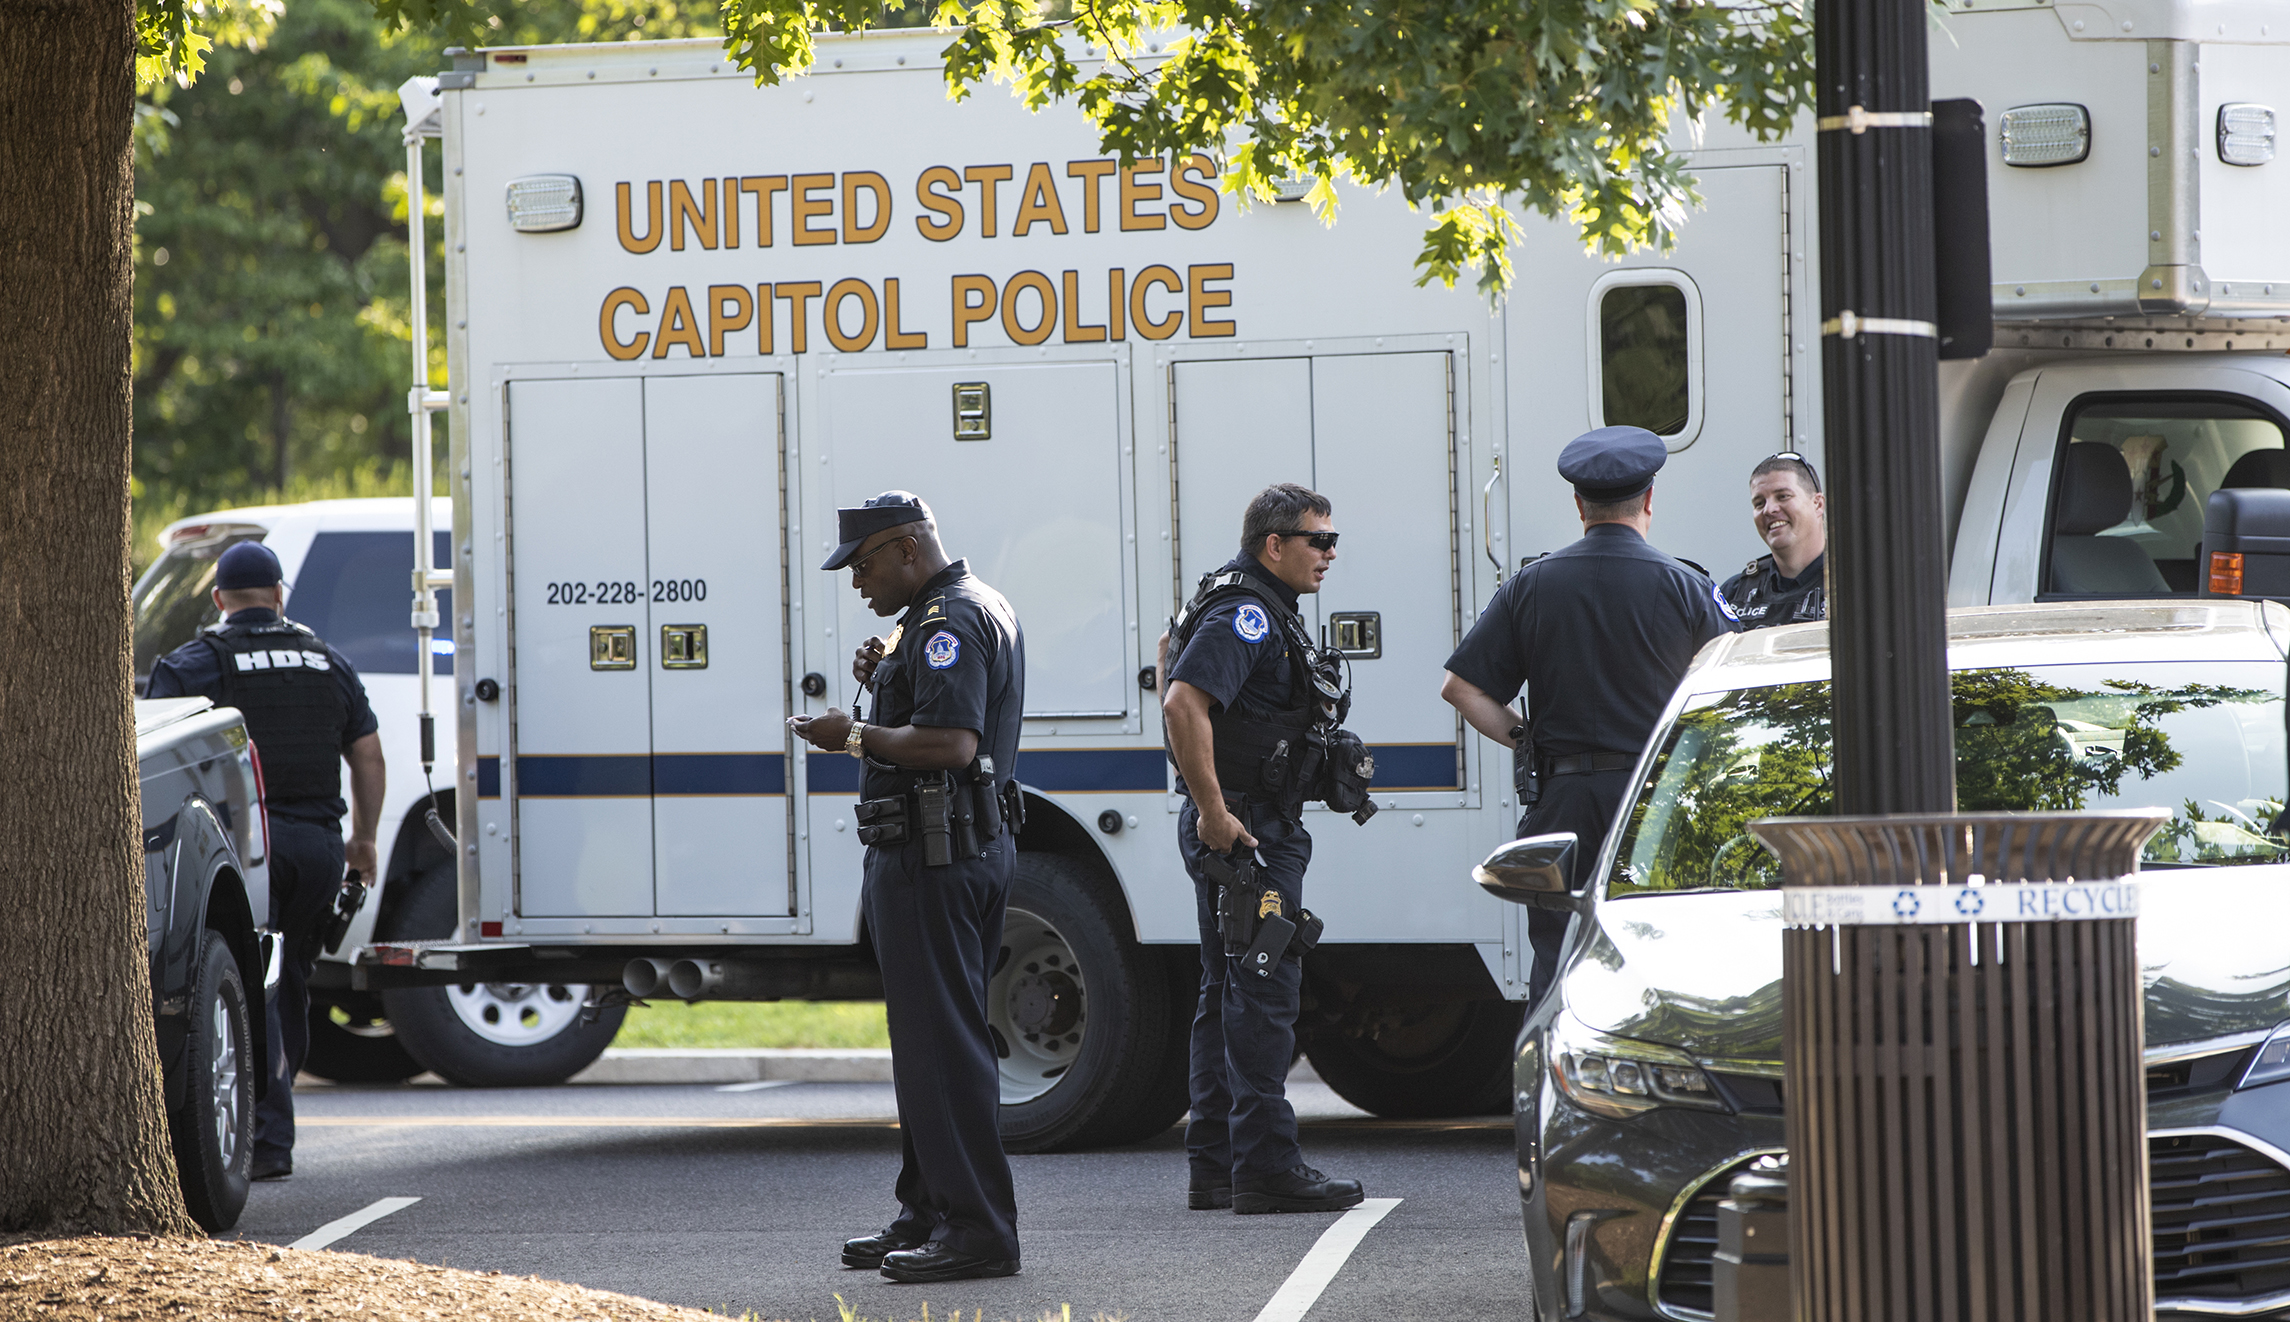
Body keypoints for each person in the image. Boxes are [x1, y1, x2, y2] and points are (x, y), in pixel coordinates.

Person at [789, 492, 1025, 1285]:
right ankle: (928, 1211)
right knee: (932, 1045)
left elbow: (951, 743)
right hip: (957, 848)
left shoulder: (945, 622)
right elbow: (936, 709)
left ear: (905, 549)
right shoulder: (956, 609)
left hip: (935, 854)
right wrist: (885, 673)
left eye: (862, 564)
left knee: (942, 1049)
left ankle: (978, 1232)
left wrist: (846, 735)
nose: (857, 581)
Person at [1439, 427, 1738, 1003]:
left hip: (1563, 798)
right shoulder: (1687, 586)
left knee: (1559, 956)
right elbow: (1729, 698)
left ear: (1579, 505)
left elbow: (1461, 689)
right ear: (1649, 499)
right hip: (1655, 802)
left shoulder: (1530, 584)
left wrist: (1528, 739)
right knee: (1659, 951)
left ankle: (1548, 1084)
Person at [145, 540, 385, 1182]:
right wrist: (364, 841)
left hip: (245, 850)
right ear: (280, 595)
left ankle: (257, 1140)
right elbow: (368, 751)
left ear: (219, 599)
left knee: (241, 986)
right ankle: (274, 1135)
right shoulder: (327, 661)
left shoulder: (195, 662)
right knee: (291, 985)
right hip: (317, 849)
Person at [1160, 482, 1367, 1216]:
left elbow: (1166, 655)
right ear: (1273, 546)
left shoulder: (1241, 600)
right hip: (1247, 833)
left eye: (1334, 540)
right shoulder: (1248, 610)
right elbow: (1182, 699)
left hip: (1246, 824)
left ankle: (1216, 1166)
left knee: (1228, 991)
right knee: (1263, 992)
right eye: (1320, 540)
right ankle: (1267, 1168)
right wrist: (1214, 812)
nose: (1331, 553)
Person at [1720, 451, 1828, 629]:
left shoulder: (1855, 582)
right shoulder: (1735, 593)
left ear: (1817, 504)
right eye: (1759, 503)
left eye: (1783, 496)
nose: (1769, 510)